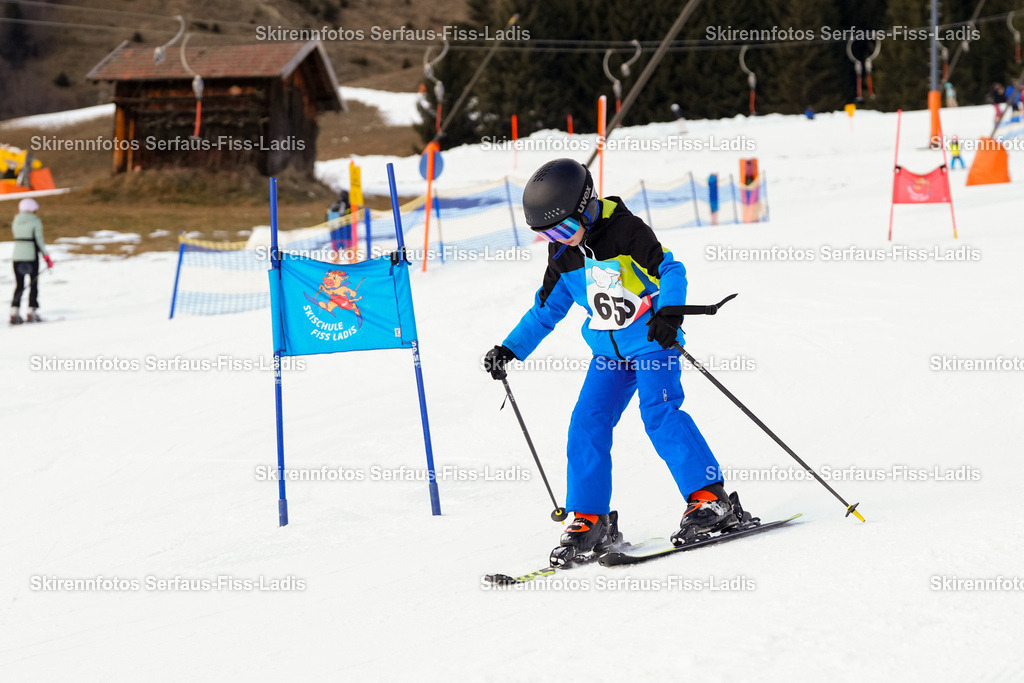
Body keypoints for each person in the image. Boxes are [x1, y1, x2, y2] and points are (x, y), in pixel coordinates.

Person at [483, 158, 736, 556]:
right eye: (548, 233)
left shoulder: (627, 232)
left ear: (587, 206)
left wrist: (669, 312)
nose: (560, 239)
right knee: (586, 423)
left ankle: (710, 499)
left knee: (660, 414)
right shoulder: (563, 255)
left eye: (565, 228)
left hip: (653, 342)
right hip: (609, 353)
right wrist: (510, 348)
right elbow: (546, 309)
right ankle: (591, 518)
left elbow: (671, 269)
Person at [10, 197, 52, 325]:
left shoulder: (16, 220)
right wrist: (46, 257)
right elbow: (39, 240)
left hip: (17, 256)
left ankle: (14, 311)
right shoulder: (35, 221)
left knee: (19, 285)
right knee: (33, 284)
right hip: (31, 257)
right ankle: (31, 311)